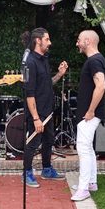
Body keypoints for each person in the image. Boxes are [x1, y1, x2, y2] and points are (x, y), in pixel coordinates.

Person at [22, 27, 68, 187]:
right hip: (37, 113)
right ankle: (27, 173)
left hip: (48, 111)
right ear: (38, 41)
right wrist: (35, 118)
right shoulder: (30, 62)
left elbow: (47, 84)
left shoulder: (44, 59)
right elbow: (29, 93)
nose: (50, 42)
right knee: (33, 144)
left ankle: (47, 169)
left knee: (49, 140)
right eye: (47, 39)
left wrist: (59, 74)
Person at [70, 30, 105, 202]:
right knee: (88, 148)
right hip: (89, 114)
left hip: (89, 114)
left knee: (83, 148)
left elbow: (100, 86)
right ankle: (91, 182)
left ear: (87, 41)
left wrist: (91, 110)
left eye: (79, 40)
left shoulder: (94, 61)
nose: (77, 43)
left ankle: (84, 189)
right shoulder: (96, 60)